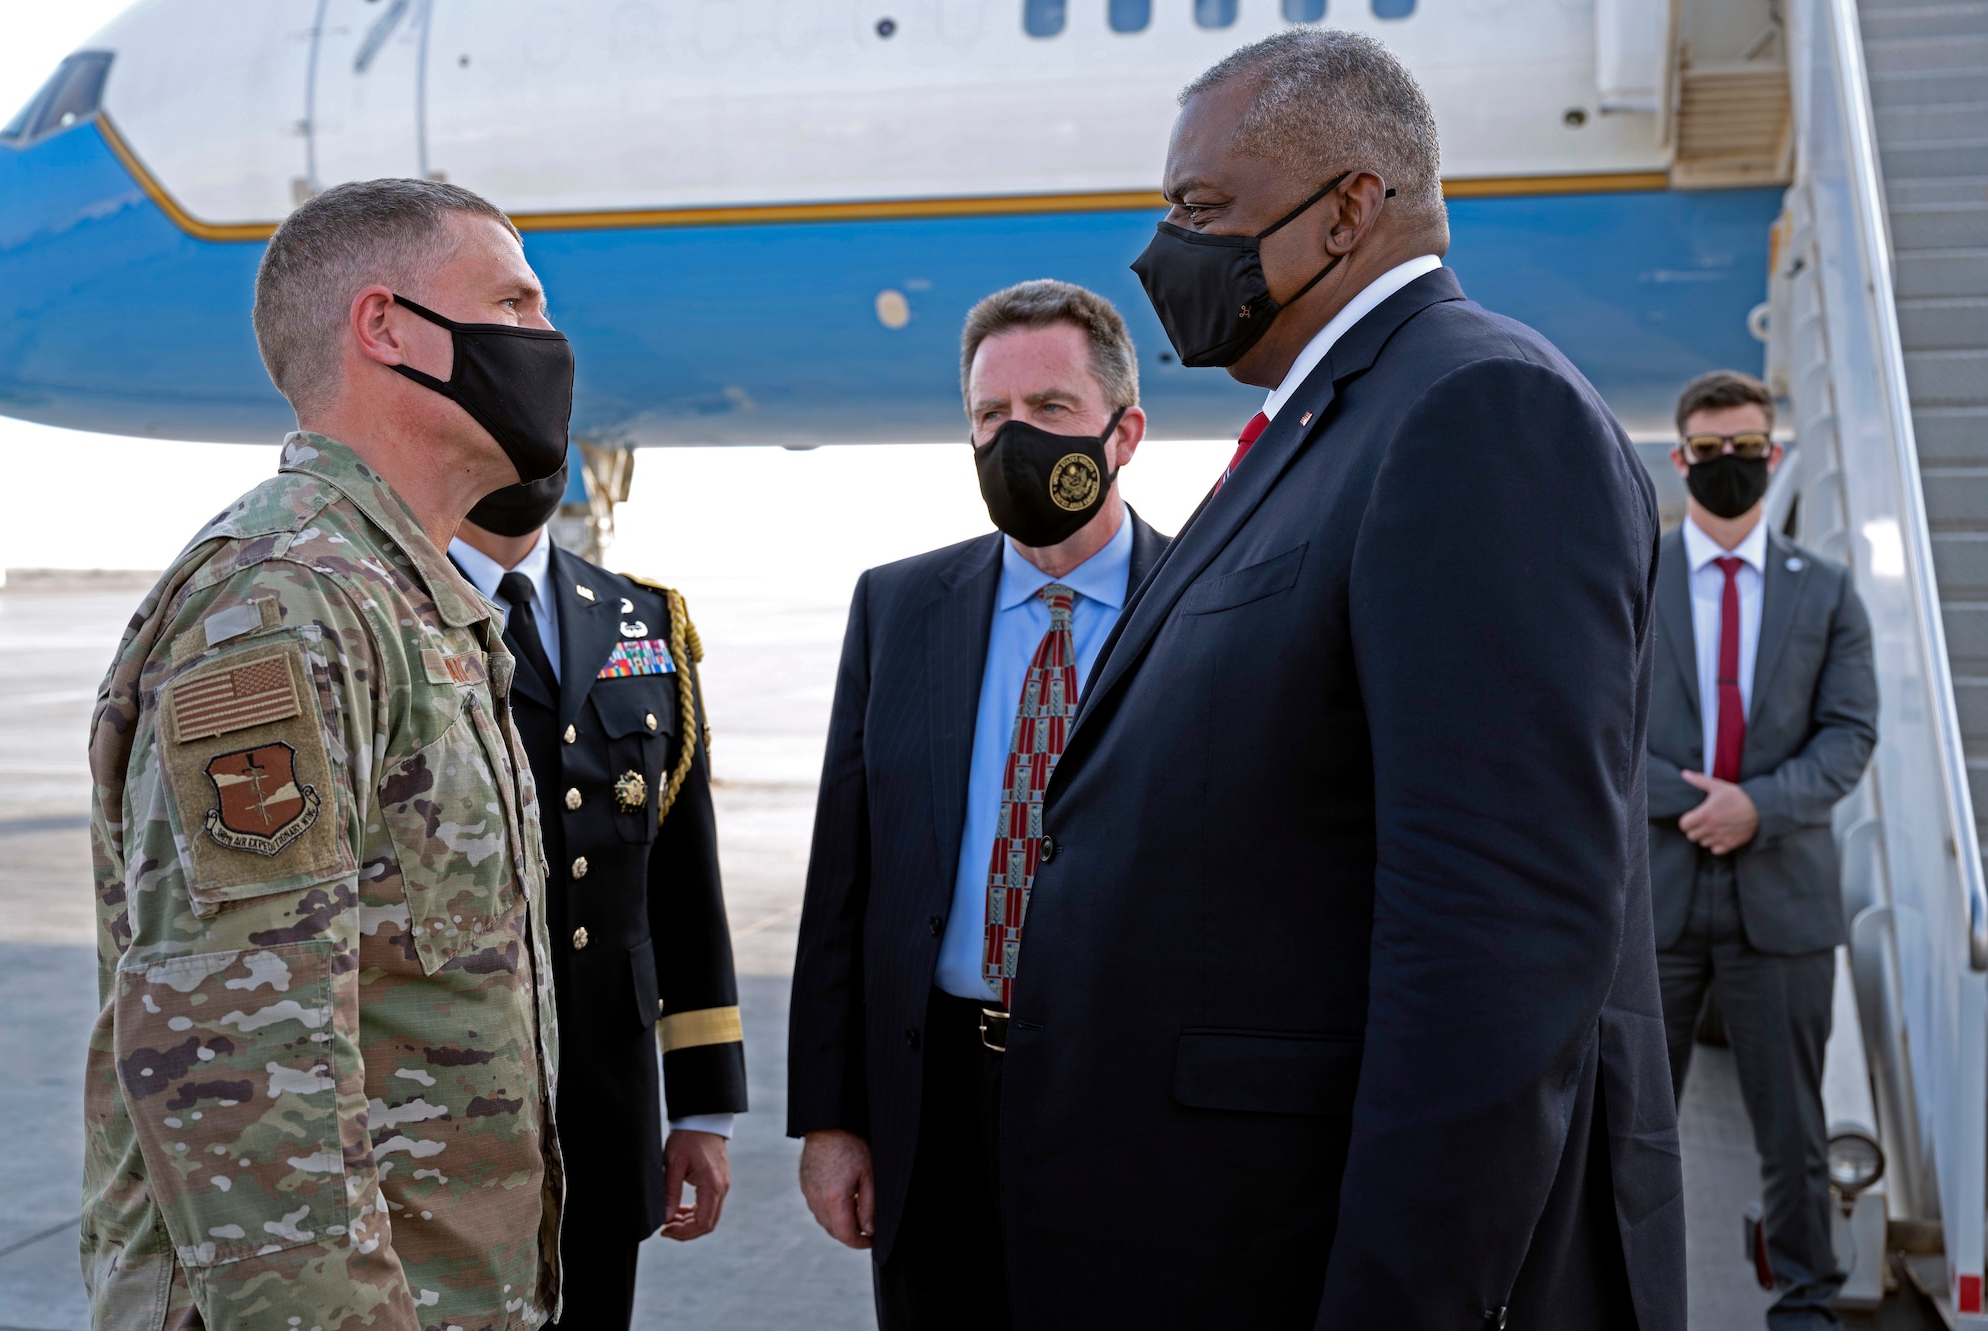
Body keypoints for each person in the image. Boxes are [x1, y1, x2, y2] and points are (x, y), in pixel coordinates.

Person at [990, 30, 1686, 1329]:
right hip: (1225, 1239)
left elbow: (1496, 943)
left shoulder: (1477, 412)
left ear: (1351, 209)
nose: (1168, 253)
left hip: (1315, 1263)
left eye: (1203, 211)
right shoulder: (1335, 423)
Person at [83, 178, 573, 1328]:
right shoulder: (284, 601)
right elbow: (242, 1066)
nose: (546, 342)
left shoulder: (401, 595)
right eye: (513, 302)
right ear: (386, 327)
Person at [787, 280, 1171, 1329]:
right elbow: (844, 876)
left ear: (1123, 430)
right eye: (990, 417)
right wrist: (830, 1119)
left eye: (1048, 410)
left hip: (1121, 1094)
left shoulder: (1205, 608)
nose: (1015, 438)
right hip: (935, 1091)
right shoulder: (898, 606)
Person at [447, 469, 748, 1331]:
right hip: (447, 1125)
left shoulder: (640, 620)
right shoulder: (393, 612)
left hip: (605, 1122)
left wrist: (702, 1106)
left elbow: (684, 885)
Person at [1651, 370, 1877, 1329]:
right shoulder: (1632, 574)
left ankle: (1806, 1300)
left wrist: (1759, 807)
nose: (1731, 465)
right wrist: (1691, 803)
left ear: (1773, 454)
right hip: (1656, 892)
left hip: (1780, 892)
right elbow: (1591, 719)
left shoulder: (1824, 591)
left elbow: (1850, 731)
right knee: (1630, 1113)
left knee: (1792, 1124)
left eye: (1748, 448)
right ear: (1682, 459)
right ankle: (1620, 1282)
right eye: (1711, 452)